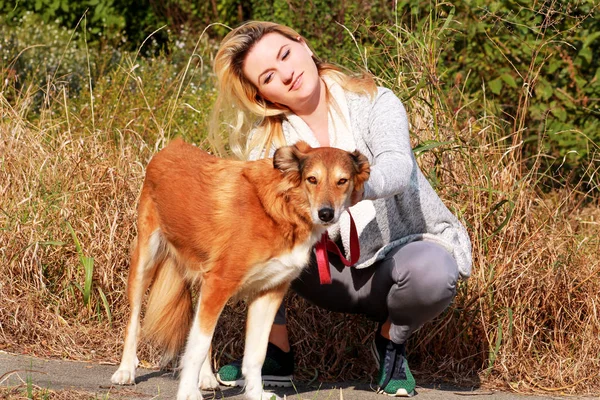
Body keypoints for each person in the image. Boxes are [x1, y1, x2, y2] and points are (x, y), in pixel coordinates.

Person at [208, 21, 472, 397]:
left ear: (302, 43)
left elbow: (398, 166)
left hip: (396, 257)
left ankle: (391, 342)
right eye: (268, 76)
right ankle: (274, 351)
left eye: (285, 54)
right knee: (258, 232)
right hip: (321, 272)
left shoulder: (376, 101)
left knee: (435, 272)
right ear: (261, 94)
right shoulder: (267, 140)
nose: (286, 74)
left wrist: (348, 192)